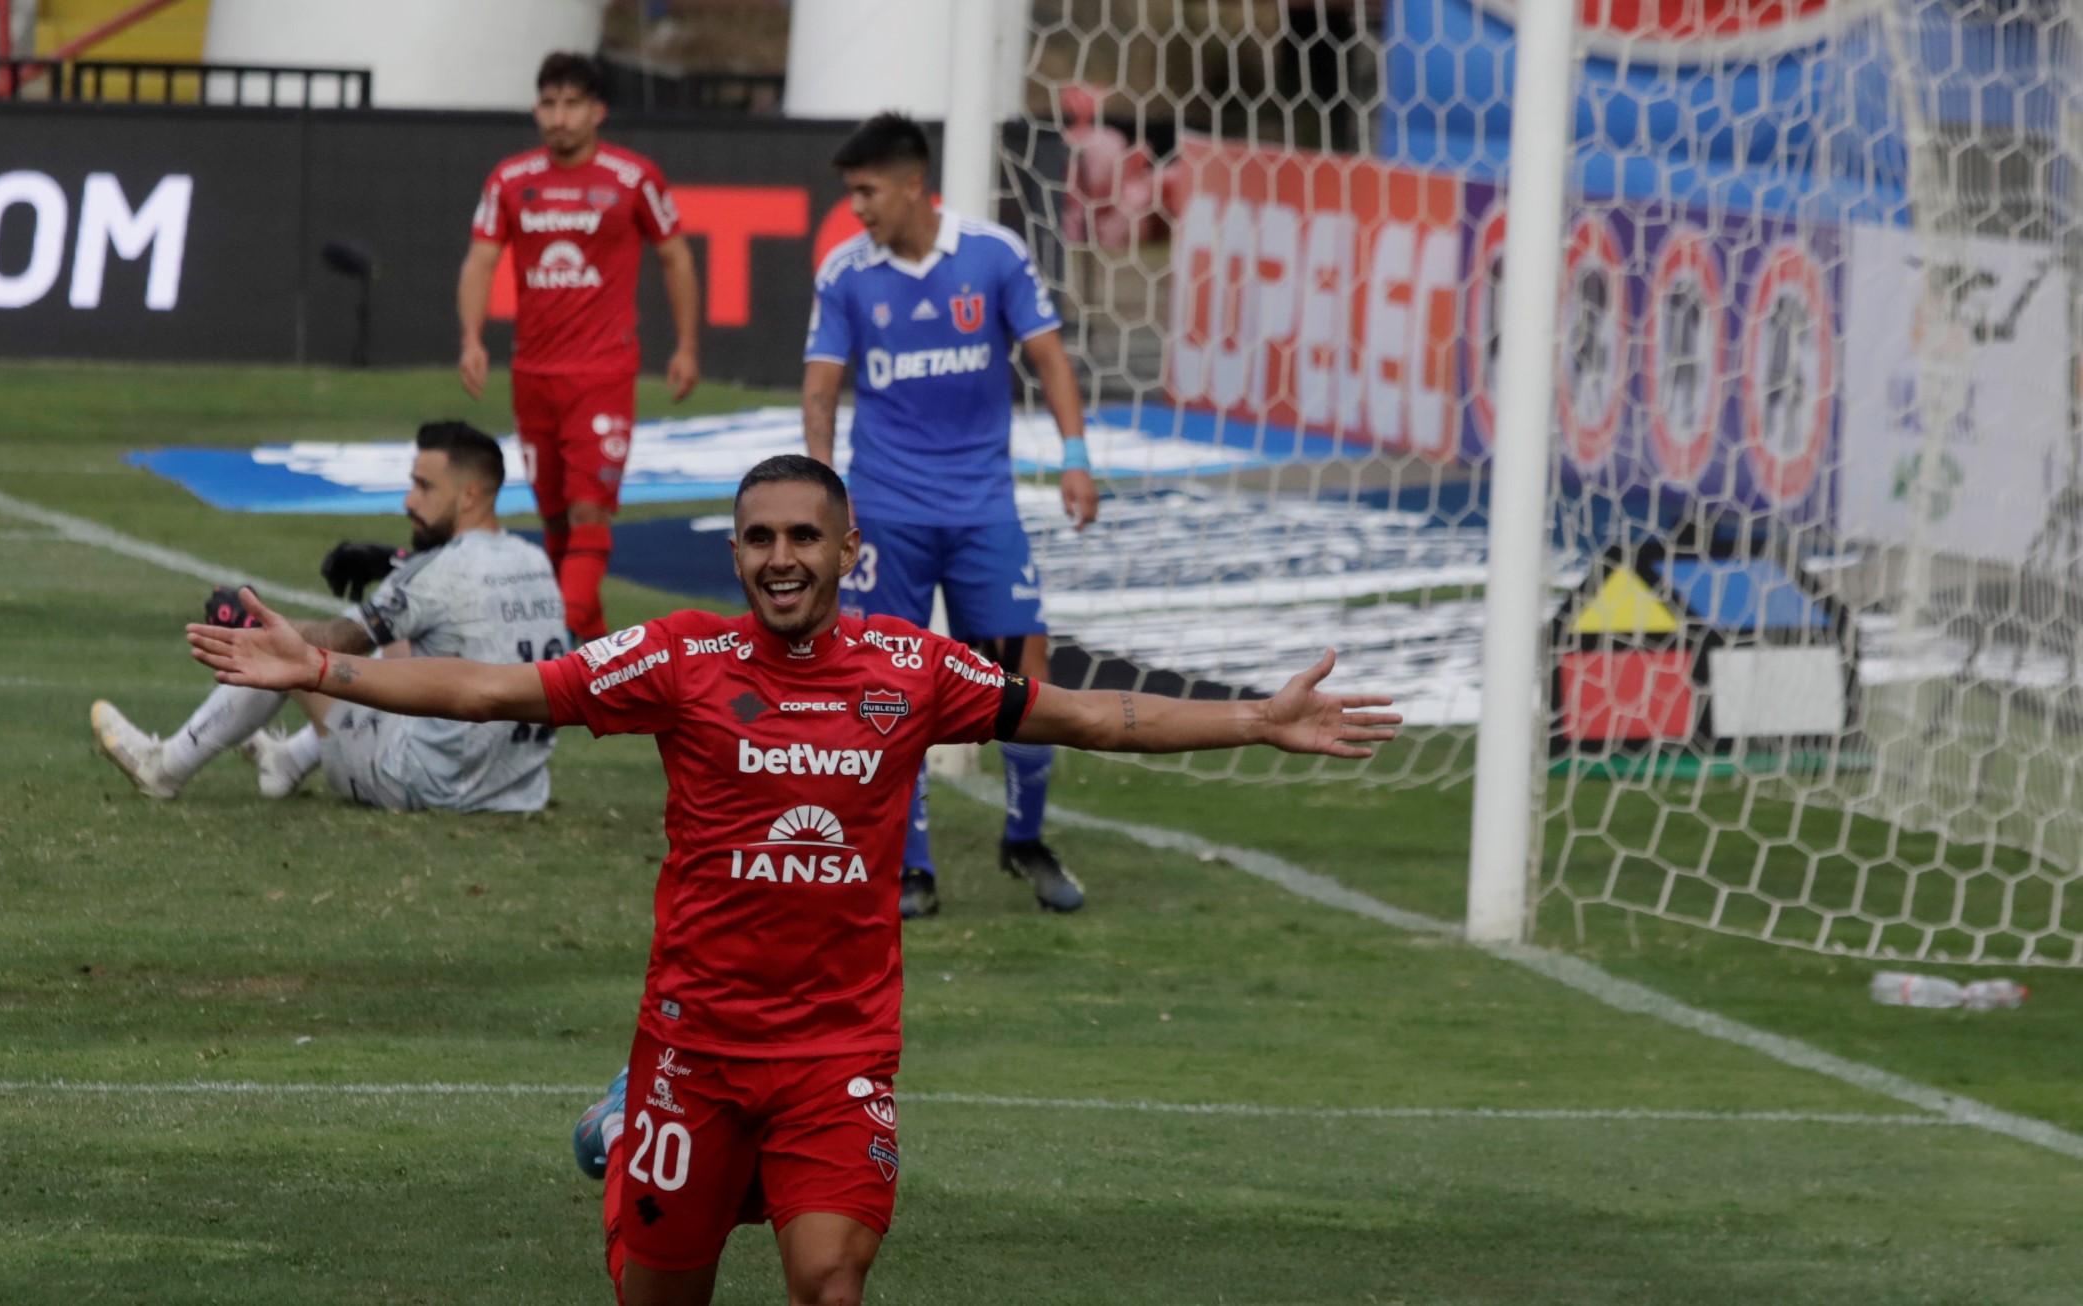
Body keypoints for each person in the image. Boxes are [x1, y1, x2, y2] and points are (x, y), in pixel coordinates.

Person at [188, 455, 1399, 1306]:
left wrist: (1258, 716)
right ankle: (627, 1123)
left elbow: (1091, 717)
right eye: (758, 538)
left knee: (829, 1280)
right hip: (694, 1048)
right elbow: (495, 691)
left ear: (847, 550)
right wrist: (326, 670)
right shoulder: (680, 658)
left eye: (803, 537)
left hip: (835, 1055)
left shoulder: (912, 670)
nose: (780, 558)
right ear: (736, 552)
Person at [801, 112, 1100, 921]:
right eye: (851, 192)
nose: (858, 207)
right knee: (888, 690)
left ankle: (1025, 840)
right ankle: (912, 867)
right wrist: (823, 499)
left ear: (910, 185)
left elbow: (1047, 356)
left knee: (1024, 679)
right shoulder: (845, 274)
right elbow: (822, 389)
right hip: (887, 516)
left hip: (981, 514)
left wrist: (1075, 456)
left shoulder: (992, 256)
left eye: (867, 191)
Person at [92, 421, 568, 813]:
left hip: (430, 786)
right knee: (401, 641)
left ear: (469, 496)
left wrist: (254, 625)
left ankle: (165, 767)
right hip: (517, 789)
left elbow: (336, 643)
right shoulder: (533, 561)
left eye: (424, 487)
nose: (408, 500)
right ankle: (289, 761)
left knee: (289, 650)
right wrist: (394, 563)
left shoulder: (436, 575)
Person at [458, 49, 702, 645]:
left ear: (598, 111)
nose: (558, 116)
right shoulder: (510, 181)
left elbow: (675, 257)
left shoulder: (632, 178)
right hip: (533, 372)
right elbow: (481, 261)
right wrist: (471, 338)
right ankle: (602, 662)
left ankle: (555, 645)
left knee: (590, 512)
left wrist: (687, 346)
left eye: (571, 104)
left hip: (602, 371)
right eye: (548, 103)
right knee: (557, 524)